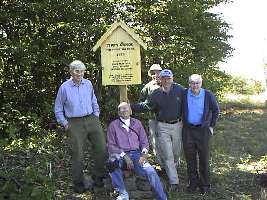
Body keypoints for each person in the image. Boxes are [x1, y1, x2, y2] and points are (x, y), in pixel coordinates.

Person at [54, 60, 107, 193]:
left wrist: (96, 115)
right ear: (71, 71)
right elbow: (58, 109)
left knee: (101, 148)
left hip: (91, 119)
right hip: (74, 122)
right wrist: (65, 124)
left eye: (82, 71)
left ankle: (98, 177)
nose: (80, 74)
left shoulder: (88, 83)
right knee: (77, 153)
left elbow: (93, 100)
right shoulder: (64, 87)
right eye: (77, 71)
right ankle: (78, 182)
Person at [131, 69, 184, 192]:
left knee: (176, 153)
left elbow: (189, 101)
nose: (166, 80)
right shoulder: (156, 93)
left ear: (172, 78)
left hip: (177, 125)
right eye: (164, 78)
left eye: (168, 78)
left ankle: (171, 169)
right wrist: (130, 107)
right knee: (168, 154)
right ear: (160, 79)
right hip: (162, 126)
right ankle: (174, 182)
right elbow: (146, 105)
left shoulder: (180, 90)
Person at [107, 102, 167, 200]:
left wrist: (144, 154)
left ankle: (162, 198)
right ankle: (122, 193)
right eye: (121, 109)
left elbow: (144, 141)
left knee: (150, 171)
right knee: (111, 163)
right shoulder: (113, 125)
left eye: (126, 108)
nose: (124, 110)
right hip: (120, 155)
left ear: (131, 111)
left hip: (136, 154)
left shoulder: (137, 123)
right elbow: (111, 145)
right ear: (118, 113)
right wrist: (124, 156)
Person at [181, 74, 219, 195]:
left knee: (204, 158)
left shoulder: (208, 94)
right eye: (192, 83)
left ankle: (205, 184)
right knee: (190, 158)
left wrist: (211, 125)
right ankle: (193, 183)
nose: (195, 85)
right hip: (188, 130)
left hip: (203, 131)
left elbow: (216, 110)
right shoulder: (184, 93)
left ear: (201, 83)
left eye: (197, 83)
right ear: (189, 83)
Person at [139, 64, 163, 165]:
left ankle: (172, 166)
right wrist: (149, 109)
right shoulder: (147, 87)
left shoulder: (168, 83)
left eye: (158, 72)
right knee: (156, 142)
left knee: (169, 143)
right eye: (153, 73)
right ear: (150, 74)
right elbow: (141, 102)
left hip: (168, 121)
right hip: (153, 119)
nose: (156, 75)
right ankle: (161, 165)